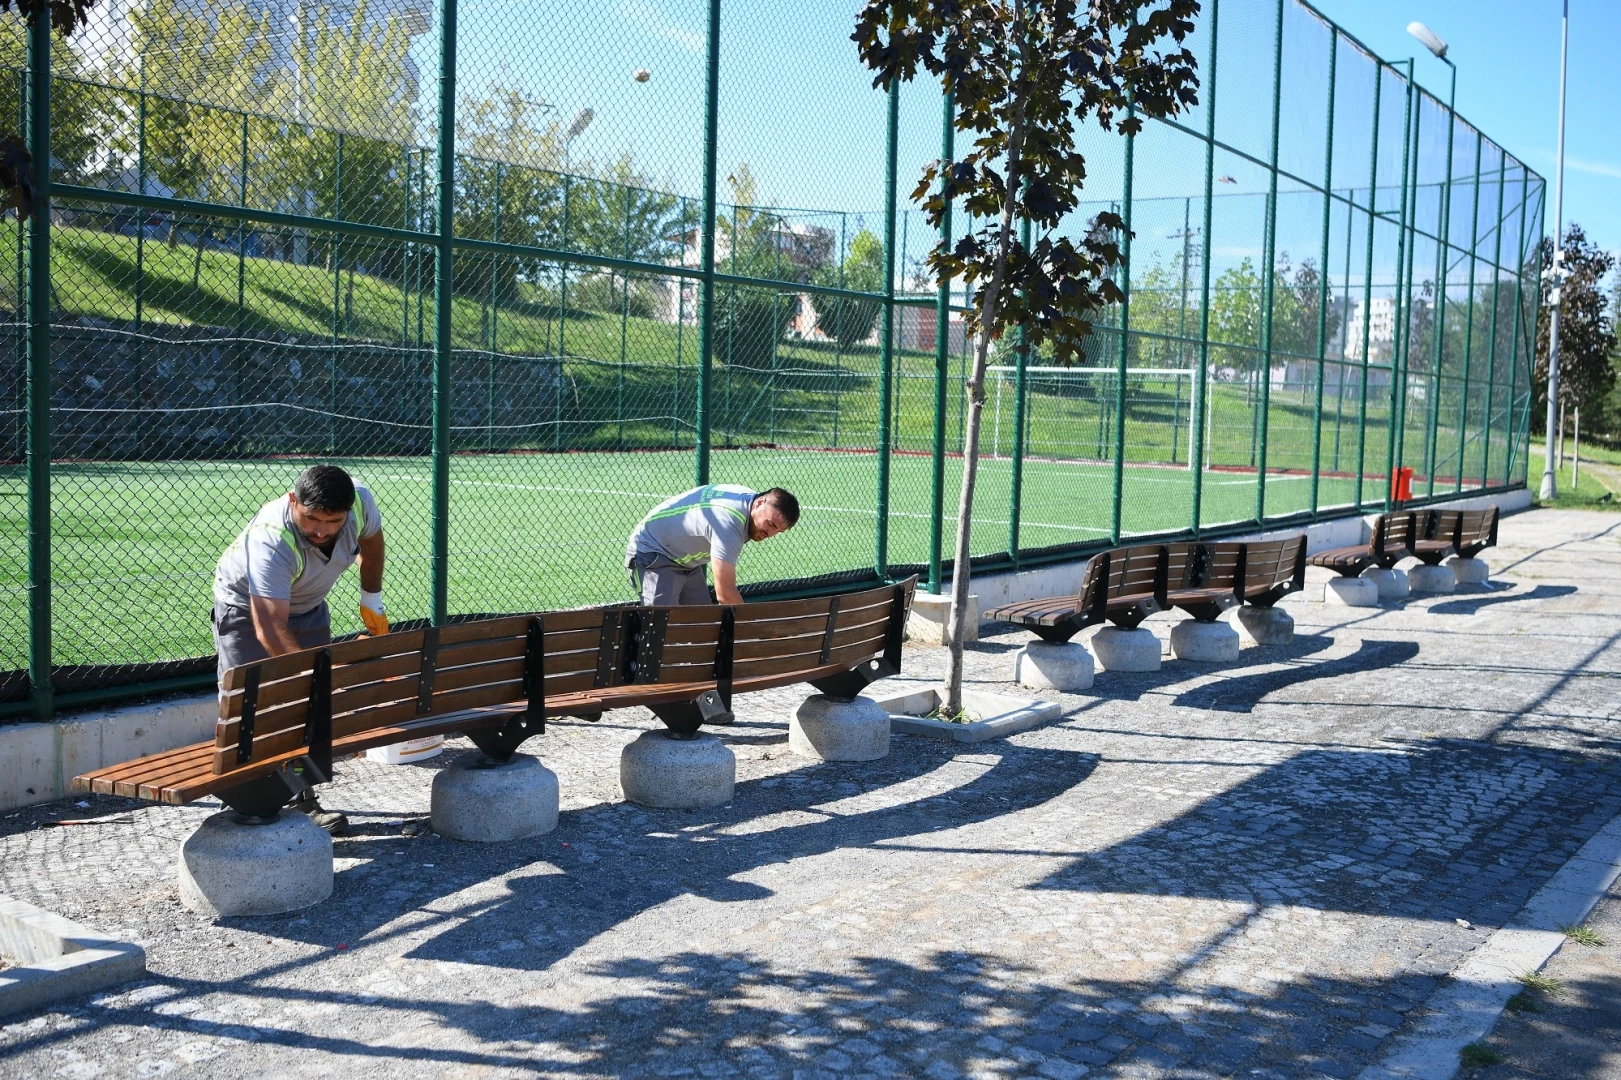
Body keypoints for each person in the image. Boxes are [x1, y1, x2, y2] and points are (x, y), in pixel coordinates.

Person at [212, 465, 389, 834]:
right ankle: (246, 802)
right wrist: (317, 679)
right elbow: (269, 626)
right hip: (248, 608)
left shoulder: (361, 501)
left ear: (349, 509)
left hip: (307, 605)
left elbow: (372, 543)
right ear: (294, 501)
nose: (321, 530)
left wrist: (371, 599)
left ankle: (301, 800)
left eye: (332, 521)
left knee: (306, 711)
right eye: (311, 519)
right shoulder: (271, 539)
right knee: (253, 703)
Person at [626, 485, 799, 606]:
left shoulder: (749, 500)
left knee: (702, 626)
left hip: (685, 560)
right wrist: (755, 628)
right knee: (660, 630)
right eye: (770, 524)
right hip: (652, 551)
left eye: (778, 531)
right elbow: (725, 594)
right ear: (760, 503)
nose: (770, 533)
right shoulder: (729, 524)